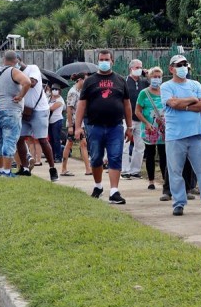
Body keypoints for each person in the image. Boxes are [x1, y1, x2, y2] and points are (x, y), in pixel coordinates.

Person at [160, 55, 201, 216]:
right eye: (179, 64)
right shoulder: (166, 86)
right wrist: (192, 100)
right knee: (175, 171)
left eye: (185, 64)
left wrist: (183, 105)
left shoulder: (195, 84)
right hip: (175, 135)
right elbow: (172, 103)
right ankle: (178, 203)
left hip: (195, 134)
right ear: (171, 68)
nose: (183, 67)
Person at [75, 49, 132, 204]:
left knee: (115, 156)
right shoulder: (90, 81)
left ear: (112, 61)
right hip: (95, 126)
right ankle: (98, 186)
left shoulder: (120, 80)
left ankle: (114, 191)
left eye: (107, 59)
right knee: (96, 158)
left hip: (115, 126)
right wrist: (77, 126)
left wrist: (130, 126)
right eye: (101, 59)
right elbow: (81, 105)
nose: (104, 62)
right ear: (98, 61)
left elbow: (127, 104)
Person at [0, 50, 31, 177]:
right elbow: (27, 82)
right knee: (9, 140)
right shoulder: (14, 71)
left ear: (4, 59)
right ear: (16, 60)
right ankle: (7, 171)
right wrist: (20, 96)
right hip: (11, 111)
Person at [13, 54, 59, 181]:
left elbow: (31, 83)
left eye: (15, 62)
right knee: (20, 139)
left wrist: (17, 77)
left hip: (39, 110)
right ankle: (25, 168)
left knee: (42, 140)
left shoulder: (32, 68)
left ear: (20, 61)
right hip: (24, 110)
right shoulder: (13, 73)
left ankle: (52, 168)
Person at [135, 66, 169, 195]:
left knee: (163, 154)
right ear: (149, 78)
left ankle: (166, 180)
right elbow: (137, 111)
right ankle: (151, 180)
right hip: (149, 128)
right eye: (154, 77)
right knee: (150, 154)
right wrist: (146, 123)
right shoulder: (144, 93)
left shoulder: (165, 91)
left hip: (163, 128)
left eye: (159, 77)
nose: (157, 79)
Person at [121, 59, 149, 179]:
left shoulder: (144, 82)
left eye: (141, 67)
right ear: (131, 69)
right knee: (125, 145)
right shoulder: (125, 82)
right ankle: (125, 170)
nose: (139, 69)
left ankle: (135, 170)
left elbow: (156, 87)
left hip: (141, 118)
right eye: (137, 67)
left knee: (140, 146)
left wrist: (148, 75)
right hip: (127, 118)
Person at [61, 72, 91, 176]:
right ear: (80, 80)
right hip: (73, 122)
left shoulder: (80, 91)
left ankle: (88, 168)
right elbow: (69, 108)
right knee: (70, 144)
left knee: (83, 144)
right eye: (85, 80)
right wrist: (70, 125)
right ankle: (63, 169)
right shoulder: (73, 92)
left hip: (79, 122)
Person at [48, 83, 65, 163]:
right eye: (53, 89)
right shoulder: (48, 98)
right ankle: (52, 156)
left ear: (59, 91)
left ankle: (58, 156)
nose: (54, 91)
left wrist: (46, 107)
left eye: (56, 89)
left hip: (57, 120)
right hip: (49, 121)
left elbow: (52, 108)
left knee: (56, 139)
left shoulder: (60, 100)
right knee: (50, 139)